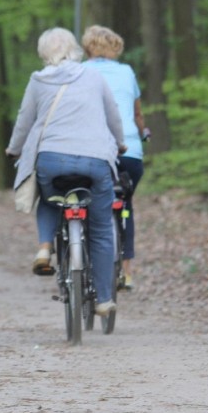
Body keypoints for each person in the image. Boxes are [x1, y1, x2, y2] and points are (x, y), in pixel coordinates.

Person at [5, 27, 126, 317]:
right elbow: (113, 115)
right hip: (95, 160)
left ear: (43, 52)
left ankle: (45, 249)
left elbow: (25, 120)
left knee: (48, 199)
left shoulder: (37, 80)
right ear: (75, 49)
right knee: (99, 229)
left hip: (51, 160)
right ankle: (104, 299)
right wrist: (120, 144)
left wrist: (13, 149)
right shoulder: (93, 76)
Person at [82, 25, 147, 290]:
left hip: (94, 150)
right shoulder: (127, 72)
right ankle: (128, 271)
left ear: (87, 49)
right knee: (125, 204)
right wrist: (143, 134)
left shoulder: (81, 72)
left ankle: (84, 259)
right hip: (130, 153)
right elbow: (137, 115)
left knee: (91, 202)